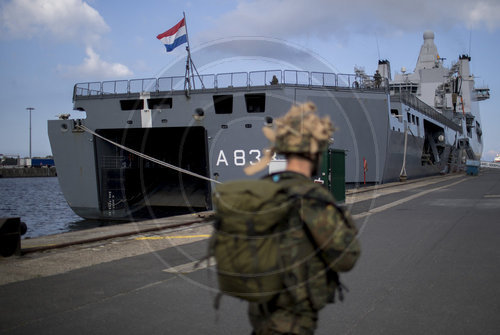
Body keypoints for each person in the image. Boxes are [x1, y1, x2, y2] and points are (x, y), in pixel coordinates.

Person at [244, 102, 360, 335]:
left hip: (260, 314)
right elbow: (346, 259)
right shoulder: (313, 199)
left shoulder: (262, 190)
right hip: (292, 320)